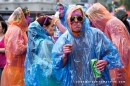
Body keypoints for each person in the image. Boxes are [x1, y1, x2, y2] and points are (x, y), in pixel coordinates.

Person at [52, 6, 122, 86]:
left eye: (79, 18)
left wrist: (106, 61)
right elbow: (57, 65)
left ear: (83, 19)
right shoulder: (64, 40)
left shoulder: (96, 34)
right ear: (68, 20)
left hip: (98, 82)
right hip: (75, 82)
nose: (76, 21)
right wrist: (65, 55)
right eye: (72, 19)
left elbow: (112, 52)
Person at [86, 3, 130, 86]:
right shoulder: (108, 25)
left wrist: (108, 61)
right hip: (117, 71)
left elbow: (122, 50)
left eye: (92, 21)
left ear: (98, 17)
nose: (92, 24)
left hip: (120, 72)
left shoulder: (112, 24)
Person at [24, 15, 61, 86]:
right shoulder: (45, 42)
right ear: (44, 27)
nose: (54, 28)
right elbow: (54, 63)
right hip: (49, 80)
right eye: (52, 26)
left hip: (38, 79)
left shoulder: (35, 41)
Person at [1, 7, 30, 86]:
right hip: (16, 70)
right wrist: (29, 46)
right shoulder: (16, 30)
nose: (29, 19)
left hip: (14, 69)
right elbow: (17, 50)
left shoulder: (13, 28)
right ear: (22, 17)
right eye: (28, 17)